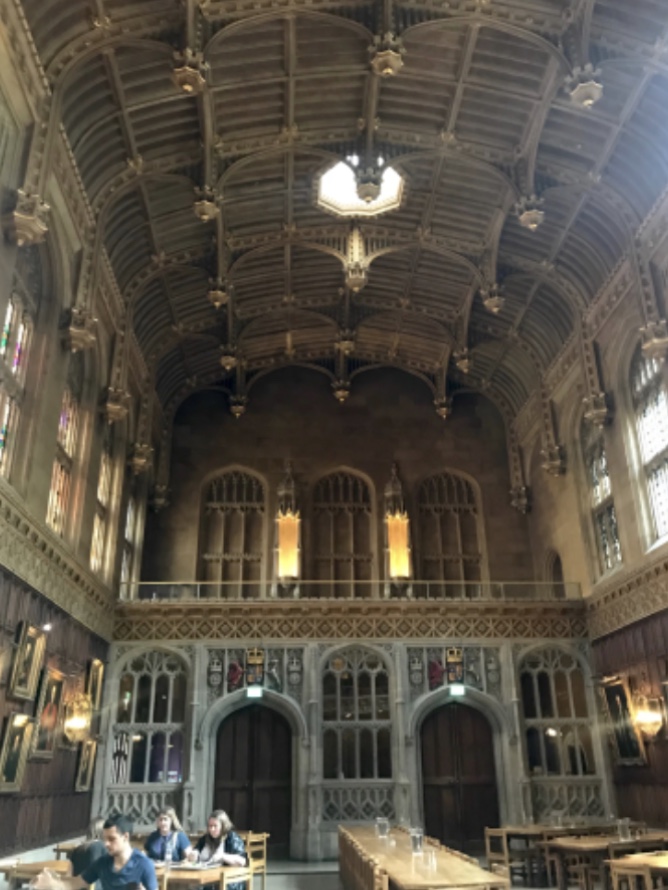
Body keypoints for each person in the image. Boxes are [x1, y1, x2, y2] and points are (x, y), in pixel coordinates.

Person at [32, 814, 157, 890]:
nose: (106, 843)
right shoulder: (102, 863)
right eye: (105, 839)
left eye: (111, 839)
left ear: (125, 837)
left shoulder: (144, 865)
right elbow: (76, 883)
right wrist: (53, 883)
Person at [190, 810, 247, 890]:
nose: (212, 829)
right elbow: (196, 851)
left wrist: (222, 856)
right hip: (207, 877)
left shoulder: (232, 838)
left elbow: (242, 861)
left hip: (230, 880)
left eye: (215, 826)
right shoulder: (205, 839)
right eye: (210, 826)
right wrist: (194, 854)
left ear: (223, 826)